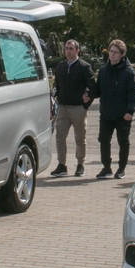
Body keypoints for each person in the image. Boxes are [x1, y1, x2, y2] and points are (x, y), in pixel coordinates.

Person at [92, 39, 135, 179]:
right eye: (111, 51)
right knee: (103, 140)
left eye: (116, 52)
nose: (112, 55)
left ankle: (121, 168)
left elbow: (133, 93)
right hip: (106, 113)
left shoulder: (128, 72)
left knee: (123, 141)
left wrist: (130, 111)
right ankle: (106, 167)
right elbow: (98, 90)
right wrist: (88, 94)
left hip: (123, 114)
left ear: (122, 54)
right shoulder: (104, 71)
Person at [50, 40, 94, 178]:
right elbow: (57, 85)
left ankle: (80, 164)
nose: (68, 51)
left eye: (71, 49)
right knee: (59, 137)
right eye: (66, 48)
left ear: (77, 51)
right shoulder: (61, 66)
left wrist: (86, 102)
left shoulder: (84, 67)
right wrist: (53, 96)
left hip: (78, 109)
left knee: (80, 138)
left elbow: (93, 87)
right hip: (63, 107)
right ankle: (61, 165)